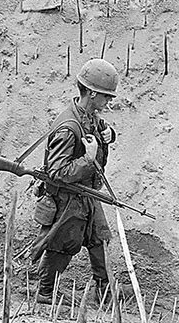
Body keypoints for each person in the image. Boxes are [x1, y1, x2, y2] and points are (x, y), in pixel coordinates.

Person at [29, 58, 119, 304]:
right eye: (106, 96)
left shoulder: (89, 116)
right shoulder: (68, 128)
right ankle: (46, 293)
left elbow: (99, 130)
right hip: (68, 198)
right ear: (91, 93)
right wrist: (88, 159)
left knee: (100, 238)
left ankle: (104, 295)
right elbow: (57, 171)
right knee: (62, 244)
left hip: (88, 193)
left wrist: (109, 136)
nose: (109, 102)